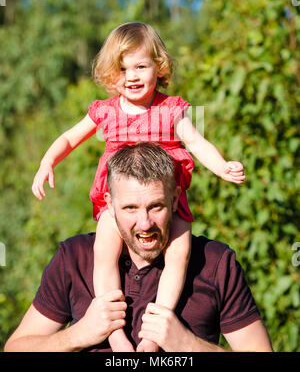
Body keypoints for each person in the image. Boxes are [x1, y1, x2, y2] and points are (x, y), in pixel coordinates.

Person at [31, 22, 246, 352]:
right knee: (103, 254)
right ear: (110, 73)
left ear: (158, 68)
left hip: (165, 201)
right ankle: (115, 333)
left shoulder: (170, 109)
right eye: (122, 68)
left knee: (179, 254)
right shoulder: (107, 111)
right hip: (118, 201)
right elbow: (69, 137)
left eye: (140, 67)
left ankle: (153, 331)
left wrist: (222, 167)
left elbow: (197, 142)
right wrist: (48, 162)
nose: (131, 76)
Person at [6, 143, 272, 353]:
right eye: (130, 208)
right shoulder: (73, 258)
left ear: (175, 198)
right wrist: (78, 335)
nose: (145, 223)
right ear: (108, 203)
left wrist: (189, 346)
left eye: (156, 206)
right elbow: (15, 348)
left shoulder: (216, 263)